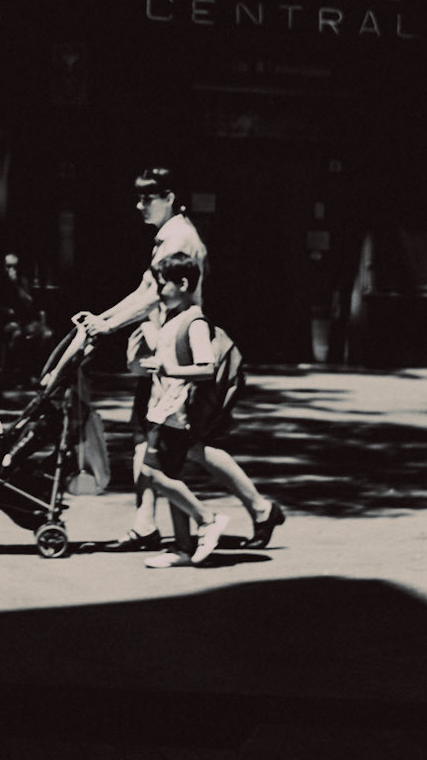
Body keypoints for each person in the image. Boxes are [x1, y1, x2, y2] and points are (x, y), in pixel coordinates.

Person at [83, 166, 284, 552]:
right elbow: (145, 289)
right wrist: (102, 320)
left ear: (169, 197)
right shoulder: (168, 236)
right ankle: (149, 524)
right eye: (139, 197)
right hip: (166, 351)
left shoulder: (179, 238)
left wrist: (107, 326)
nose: (140, 205)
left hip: (180, 356)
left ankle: (254, 510)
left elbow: (152, 296)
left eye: (148, 198)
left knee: (180, 443)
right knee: (153, 437)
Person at [131, 256, 228, 568]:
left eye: (162, 285)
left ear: (183, 284)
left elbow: (207, 367)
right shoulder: (175, 318)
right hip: (163, 410)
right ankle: (182, 547)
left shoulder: (195, 322)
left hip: (177, 413)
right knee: (170, 475)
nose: (158, 292)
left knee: (153, 474)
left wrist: (168, 369)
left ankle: (207, 518)